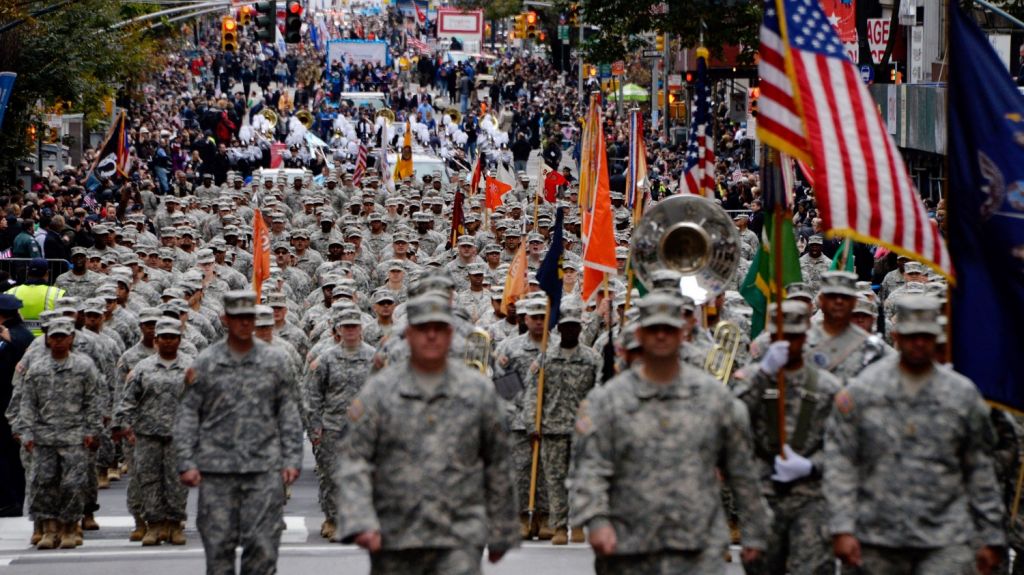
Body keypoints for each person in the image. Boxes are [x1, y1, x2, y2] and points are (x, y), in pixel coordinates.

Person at [570, 293, 771, 574]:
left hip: (698, 547)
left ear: (683, 333)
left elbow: (743, 473)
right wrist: (596, 521)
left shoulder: (715, 400)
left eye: (669, 329)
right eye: (654, 329)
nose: (661, 336)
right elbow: (589, 469)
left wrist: (756, 531)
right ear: (640, 334)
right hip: (628, 547)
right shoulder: (607, 402)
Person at [336, 293, 520, 574]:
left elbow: (498, 462)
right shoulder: (379, 392)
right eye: (422, 329)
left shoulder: (477, 391)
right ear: (408, 334)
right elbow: (354, 459)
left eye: (438, 328)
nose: (431, 336)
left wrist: (503, 528)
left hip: (459, 534)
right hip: (395, 534)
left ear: (451, 334)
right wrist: (359, 519)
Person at [824, 295, 1005, 574]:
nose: (919, 343)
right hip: (876, 535)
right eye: (911, 336)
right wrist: (841, 527)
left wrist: (991, 534)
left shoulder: (962, 395)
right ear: (896, 335)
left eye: (926, 336)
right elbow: (842, 463)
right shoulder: (863, 390)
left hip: (946, 535)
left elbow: (979, 468)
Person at [173, 291, 303, 575]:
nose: (245, 324)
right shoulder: (205, 363)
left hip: (263, 468)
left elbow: (288, 412)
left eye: (249, 318)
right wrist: (186, 461)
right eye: (238, 318)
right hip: (218, 471)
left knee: (263, 547)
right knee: (218, 549)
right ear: (225, 320)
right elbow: (187, 415)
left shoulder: (275, 361)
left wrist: (293, 457)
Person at [730, 300, 841, 575]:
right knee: (761, 567)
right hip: (762, 493)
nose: (788, 343)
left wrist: (813, 464)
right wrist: (763, 374)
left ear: (806, 337)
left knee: (812, 568)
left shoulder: (828, 386)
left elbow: (843, 446)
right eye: (781, 337)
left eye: (794, 337)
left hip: (811, 495)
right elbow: (731, 420)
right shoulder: (751, 379)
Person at [16, 317, 102, 549]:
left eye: (63, 336)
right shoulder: (37, 369)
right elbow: (28, 404)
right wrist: (26, 433)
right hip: (44, 438)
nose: (58, 341)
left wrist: (94, 431)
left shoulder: (84, 367)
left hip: (75, 437)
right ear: (47, 338)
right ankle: (49, 529)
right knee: (44, 484)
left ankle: (68, 527)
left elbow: (93, 401)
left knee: (73, 485)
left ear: (72, 338)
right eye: (54, 337)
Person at [522, 302, 600, 545]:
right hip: (552, 427)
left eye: (574, 327)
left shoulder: (591, 358)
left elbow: (598, 392)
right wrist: (532, 425)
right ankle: (559, 526)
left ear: (579, 329)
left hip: (581, 430)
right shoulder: (546, 358)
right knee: (554, 480)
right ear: (559, 329)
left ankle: (577, 524)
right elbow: (533, 393)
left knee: (579, 479)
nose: (569, 332)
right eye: (565, 327)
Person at [114, 318, 191, 546]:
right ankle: (154, 525)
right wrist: (123, 426)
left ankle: (175, 524)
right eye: (164, 338)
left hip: (179, 436)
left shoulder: (191, 367)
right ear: (156, 341)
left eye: (173, 338)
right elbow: (128, 400)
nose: (168, 342)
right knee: (149, 481)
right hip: (147, 436)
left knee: (176, 482)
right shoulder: (143, 368)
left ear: (179, 340)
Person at [306, 307, 375, 542]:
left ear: (361, 329)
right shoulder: (327, 358)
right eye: (346, 327)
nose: (350, 331)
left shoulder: (374, 358)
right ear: (338, 331)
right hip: (333, 425)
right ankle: (333, 519)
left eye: (354, 326)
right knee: (332, 475)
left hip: (364, 427)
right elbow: (314, 395)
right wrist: (314, 427)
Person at [0, 294, 35, 517]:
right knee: (14, 456)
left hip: (6, 403)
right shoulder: (26, 335)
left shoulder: (9, 339)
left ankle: (9, 500)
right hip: (19, 404)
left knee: (5, 455)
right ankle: (17, 499)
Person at [6, 258, 65, 336]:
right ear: (47, 273)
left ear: (28, 272)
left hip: (16, 340)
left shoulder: (10, 292)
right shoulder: (57, 293)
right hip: (46, 341)